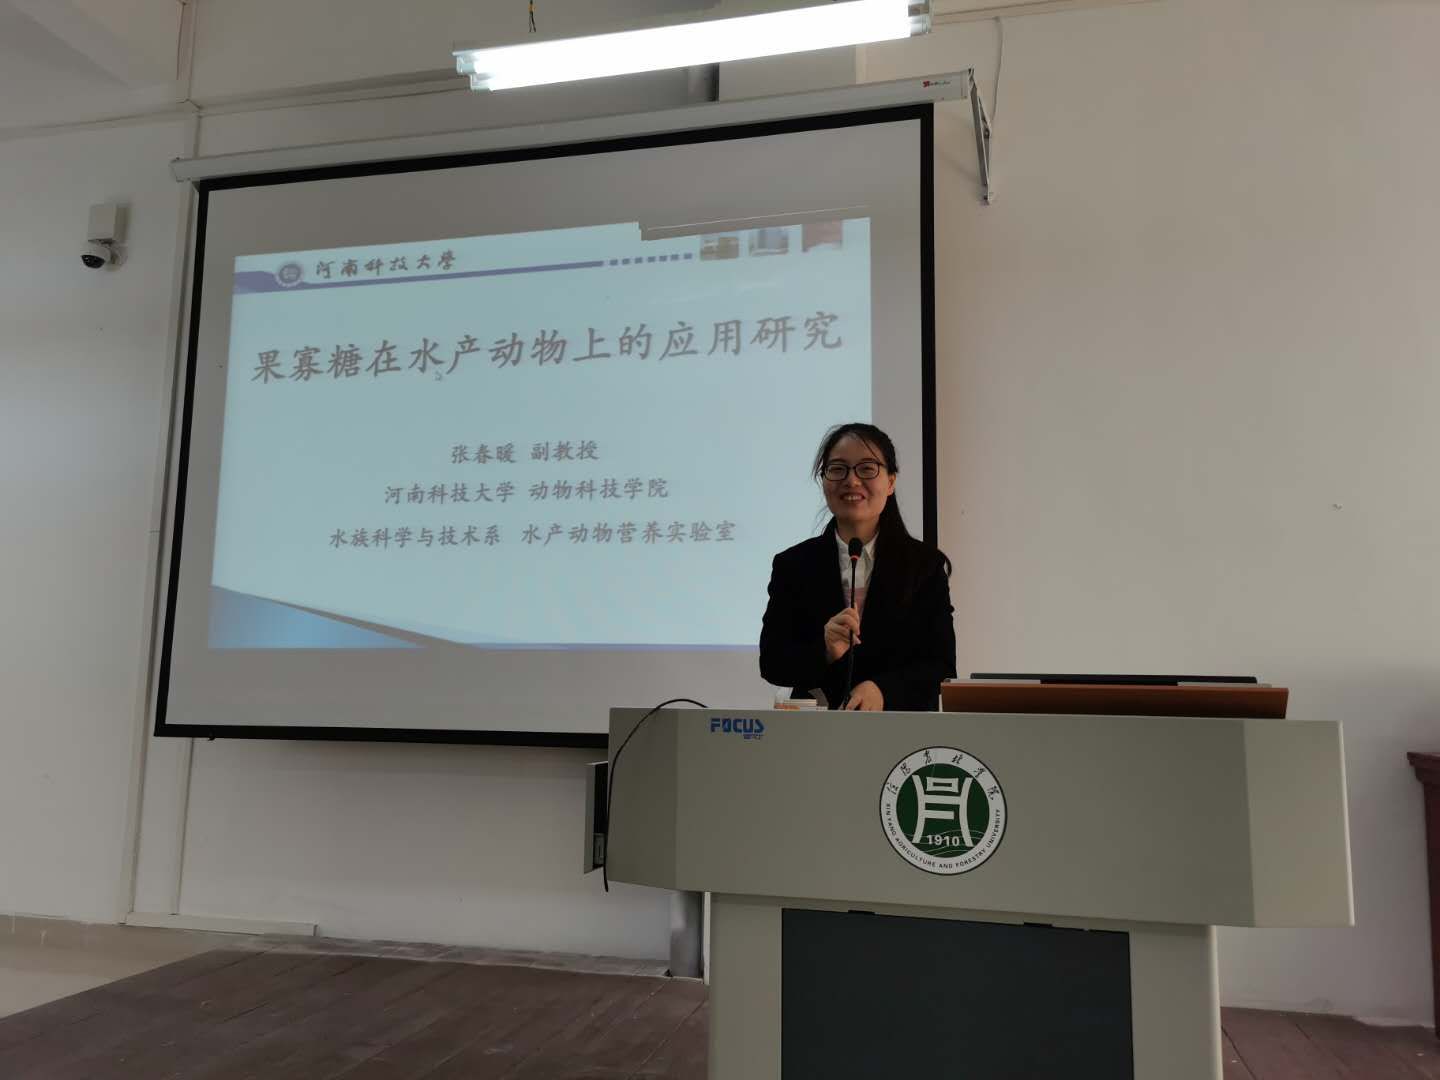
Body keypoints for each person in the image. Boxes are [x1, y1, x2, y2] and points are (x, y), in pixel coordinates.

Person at [759, 423, 956, 711]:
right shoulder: (794, 565)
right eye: (838, 469)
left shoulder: (924, 565)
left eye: (867, 469)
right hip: (818, 729)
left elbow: (941, 666)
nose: (851, 481)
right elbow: (772, 664)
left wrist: (883, 690)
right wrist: (824, 650)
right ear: (823, 481)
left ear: (890, 482)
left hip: (901, 728)